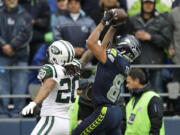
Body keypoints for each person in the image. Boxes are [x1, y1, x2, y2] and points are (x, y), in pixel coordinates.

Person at [72, 9, 141, 135]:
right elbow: (104, 48)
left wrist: (103, 22)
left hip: (104, 111)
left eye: (120, 43)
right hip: (115, 112)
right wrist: (113, 28)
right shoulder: (124, 64)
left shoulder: (115, 57)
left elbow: (91, 43)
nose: (117, 44)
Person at [21, 40, 81, 135]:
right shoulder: (76, 66)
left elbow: (46, 89)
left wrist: (33, 103)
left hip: (52, 118)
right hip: (66, 120)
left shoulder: (53, 70)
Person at [127, 0, 171, 93]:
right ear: (142, 4)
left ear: (154, 4)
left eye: (150, 3)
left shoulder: (161, 21)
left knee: (155, 93)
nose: (148, 5)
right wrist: (135, 36)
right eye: (146, 3)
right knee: (135, 93)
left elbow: (166, 41)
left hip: (155, 65)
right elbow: (125, 38)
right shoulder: (132, 19)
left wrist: (150, 37)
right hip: (137, 64)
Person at [0, 0, 32, 118]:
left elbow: (27, 34)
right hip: (2, 57)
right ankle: (2, 113)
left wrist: (12, 46)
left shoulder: (25, 15)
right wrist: (4, 46)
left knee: (20, 87)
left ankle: (17, 113)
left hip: (20, 57)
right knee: (2, 87)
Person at [125, 68, 165, 135]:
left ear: (137, 81)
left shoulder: (152, 98)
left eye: (128, 82)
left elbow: (156, 123)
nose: (126, 85)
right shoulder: (131, 102)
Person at [168, 4, 180, 115]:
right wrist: (171, 47)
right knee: (175, 84)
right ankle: (175, 110)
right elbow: (169, 33)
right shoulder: (173, 13)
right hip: (177, 57)